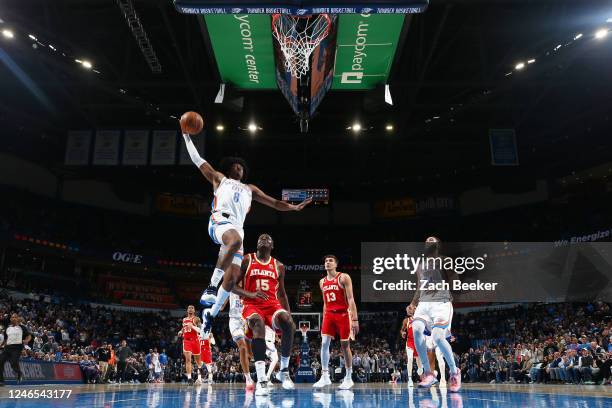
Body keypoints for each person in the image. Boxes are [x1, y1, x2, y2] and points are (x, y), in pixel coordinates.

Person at [180, 129, 311, 334]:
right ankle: (212, 287)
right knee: (233, 241)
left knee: (231, 281)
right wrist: (187, 137)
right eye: (236, 165)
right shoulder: (219, 179)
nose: (239, 167)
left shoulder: (250, 189)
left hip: (237, 232)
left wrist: (293, 207)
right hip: (219, 221)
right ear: (230, 168)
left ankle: (210, 314)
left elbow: (275, 203)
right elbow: (198, 159)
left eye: (242, 166)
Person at [232, 234, 296, 396]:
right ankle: (261, 381)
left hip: (272, 305)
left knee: (288, 323)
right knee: (258, 325)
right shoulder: (248, 260)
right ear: (257, 244)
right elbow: (231, 286)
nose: (264, 239)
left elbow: (281, 294)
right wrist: (251, 294)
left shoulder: (279, 266)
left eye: (267, 239)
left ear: (272, 246)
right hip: (252, 305)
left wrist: (288, 314)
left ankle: (284, 371)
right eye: (261, 238)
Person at [409, 236, 461, 392]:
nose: (428, 243)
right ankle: (428, 372)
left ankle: (454, 371)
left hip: (441, 303)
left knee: (438, 337)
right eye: (426, 242)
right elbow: (419, 286)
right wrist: (413, 303)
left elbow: (455, 280)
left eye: (431, 242)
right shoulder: (420, 265)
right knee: (416, 329)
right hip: (424, 303)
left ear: (438, 245)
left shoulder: (445, 261)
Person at [313, 255, 359, 390]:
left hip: (343, 314)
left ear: (336, 264)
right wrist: (324, 318)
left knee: (345, 345)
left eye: (330, 261)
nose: (327, 263)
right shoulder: (322, 282)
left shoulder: (343, 277)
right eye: (326, 261)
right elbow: (325, 302)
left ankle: (349, 377)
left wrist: (355, 319)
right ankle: (325, 376)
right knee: (324, 343)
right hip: (328, 315)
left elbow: (350, 299)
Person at [224, 290, 255, 390]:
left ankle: (250, 363)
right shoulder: (231, 287)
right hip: (234, 321)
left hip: (247, 320)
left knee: (250, 354)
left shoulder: (249, 287)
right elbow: (220, 307)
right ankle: (248, 378)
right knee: (242, 347)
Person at [0, 313, 31, 385]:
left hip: (17, 348)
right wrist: (1, 345)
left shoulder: (22, 327)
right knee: (0, 362)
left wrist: (26, 340)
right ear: (10, 319)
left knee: (13, 362)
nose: (13, 318)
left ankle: (19, 373)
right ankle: (1, 381)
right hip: (7, 348)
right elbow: (5, 340)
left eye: (15, 317)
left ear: (17, 319)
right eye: (12, 317)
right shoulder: (8, 328)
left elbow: (29, 336)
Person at [178, 305, 203, 384]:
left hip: (195, 341)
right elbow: (184, 328)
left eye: (192, 308)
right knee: (188, 359)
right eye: (189, 308)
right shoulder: (184, 319)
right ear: (187, 310)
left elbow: (200, 330)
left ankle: (199, 378)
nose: (190, 309)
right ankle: (189, 379)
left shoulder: (196, 319)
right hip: (186, 341)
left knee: (198, 362)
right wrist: (181, 331)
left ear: (194, 310)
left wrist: (192, 326)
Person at [401, 305, 423, 387]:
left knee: (419, 362)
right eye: (408, 309)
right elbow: (402, 330)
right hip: (410, 341)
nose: (409, 310)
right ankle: (410, 379)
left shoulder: (421, 319)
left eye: (411, 309)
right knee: (410, 359)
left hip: (418, 342)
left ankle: (420, 368)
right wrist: (402, 333)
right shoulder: (406, 320)